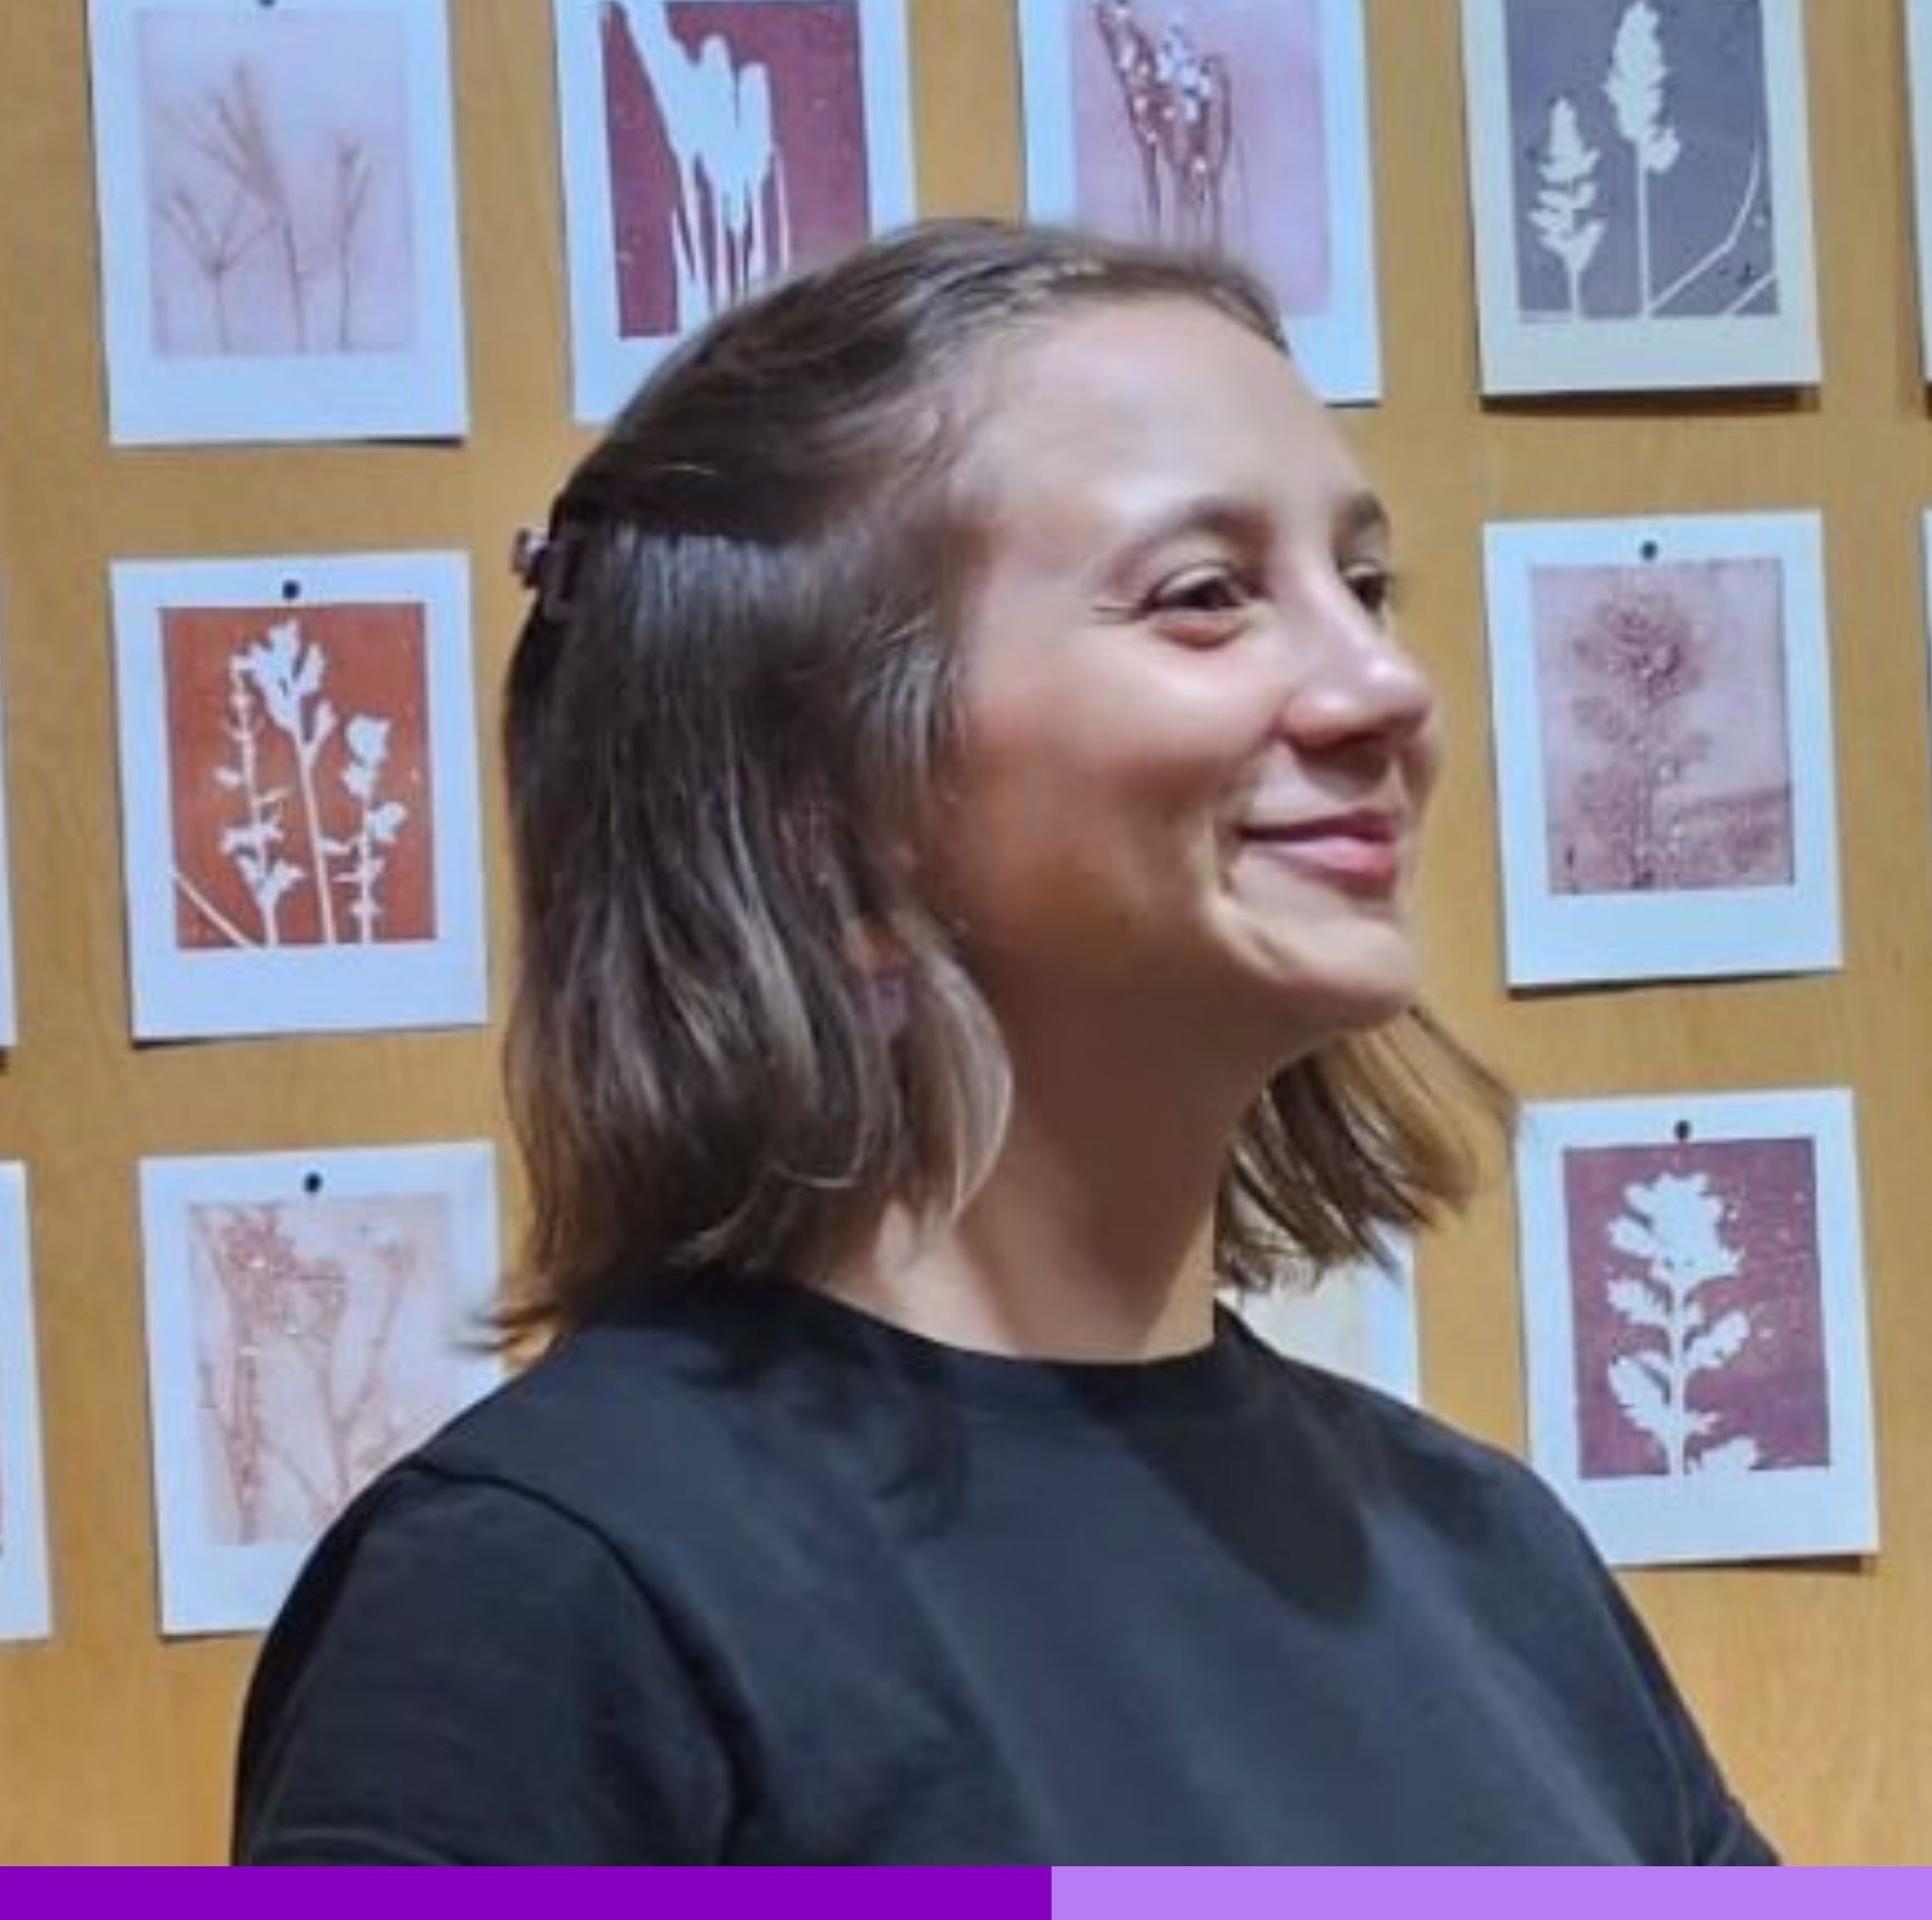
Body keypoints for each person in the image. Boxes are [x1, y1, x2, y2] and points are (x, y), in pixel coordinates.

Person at [228, 216, 1777, 1866]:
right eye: (1206, 596)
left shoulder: (1492, 1559)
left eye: (1367, 582)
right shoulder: (553, 1591)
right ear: (827, 804)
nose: (1384, 684)